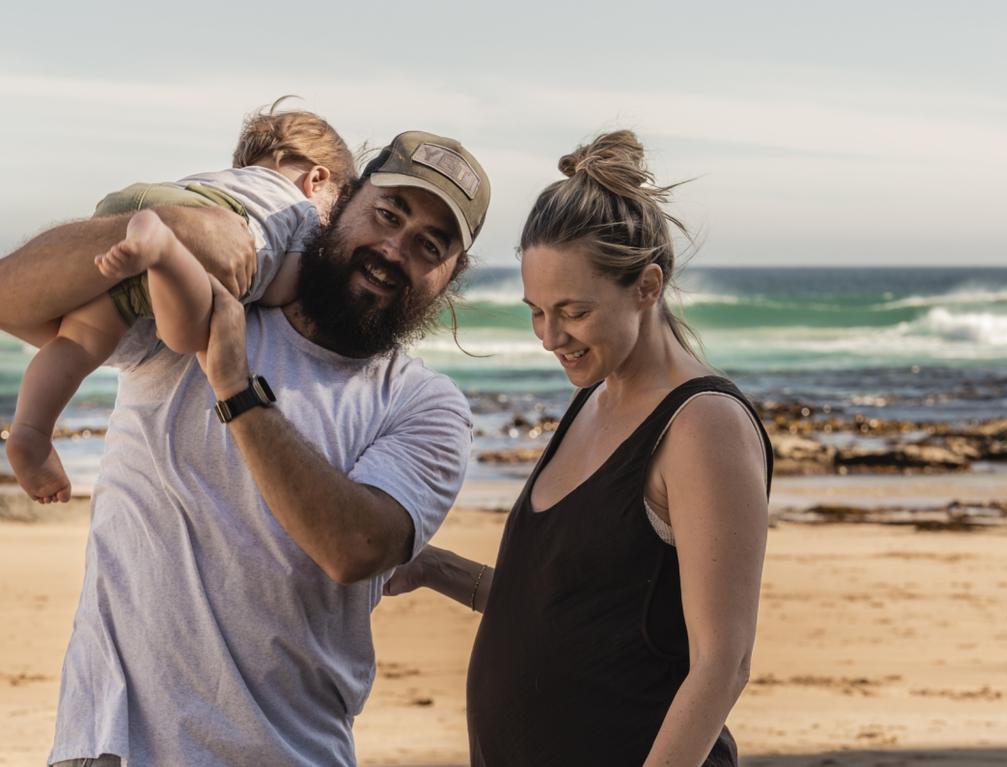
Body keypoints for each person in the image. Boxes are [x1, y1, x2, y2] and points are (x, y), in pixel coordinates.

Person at [0, 129, 490, 766]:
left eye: (431, 245)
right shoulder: (207, 299)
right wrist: (176, 226)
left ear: (451, 277)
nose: (394, 250)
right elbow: (13, 295)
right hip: (116, 746)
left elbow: (355, 547)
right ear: (341, 204)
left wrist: (235, 385)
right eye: (388, 213)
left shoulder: (425, 405)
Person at [385, 130, 773, 766]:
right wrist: (434, 567)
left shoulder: (703, 426)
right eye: (536, 311)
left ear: (647, 287)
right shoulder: (592, 399)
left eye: (573, 311)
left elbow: (723, 664)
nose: (549, 337)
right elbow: (569, 609)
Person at [6, 97, 353, 503]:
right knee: (186, 334)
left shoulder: (220, 177)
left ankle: (31, 430)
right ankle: (162, 252)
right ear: (317, 179)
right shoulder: (301, 209)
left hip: (141, 201)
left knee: (78, 340)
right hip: (204, 225)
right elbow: (280, 289)